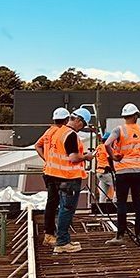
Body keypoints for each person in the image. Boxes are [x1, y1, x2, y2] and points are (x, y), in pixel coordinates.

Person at [104, 103, 140, 246]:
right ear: (136, 115)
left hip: (123, 171)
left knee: (122, 203)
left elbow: (107, 144)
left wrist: (113, 157)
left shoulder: (119, 129)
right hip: (138, 170)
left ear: (124, 116)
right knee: (138, 203)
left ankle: (120, 235)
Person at [49, 108, 94, 254]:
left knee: (62, 208)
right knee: (67, 209)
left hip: (56, 175)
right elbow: (73, 158)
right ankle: (62, 242)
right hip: (68, 178)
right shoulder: (71, 134)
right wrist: (86, 157)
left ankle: (63, 238)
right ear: (79, 121)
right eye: (83, 125)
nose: (82, 128)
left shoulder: (58, 131)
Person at [33, 108, 70, 245]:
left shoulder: (49, 131)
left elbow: (37, 145)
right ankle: (51, 234)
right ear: (66, 120)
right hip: (57, 173)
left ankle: (51, 233)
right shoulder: (60, 133)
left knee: (52, 203)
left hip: (48, 171)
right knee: (59, 204)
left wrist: (46, 159)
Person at [95, 130, 115, 203]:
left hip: (100, 172)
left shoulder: (99, 147)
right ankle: (116, 205)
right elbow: (109, 158)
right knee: (118, 187)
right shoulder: (107, 147)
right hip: (106, 171)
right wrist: (114, 170)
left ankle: (101, 206)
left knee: (103, 192)